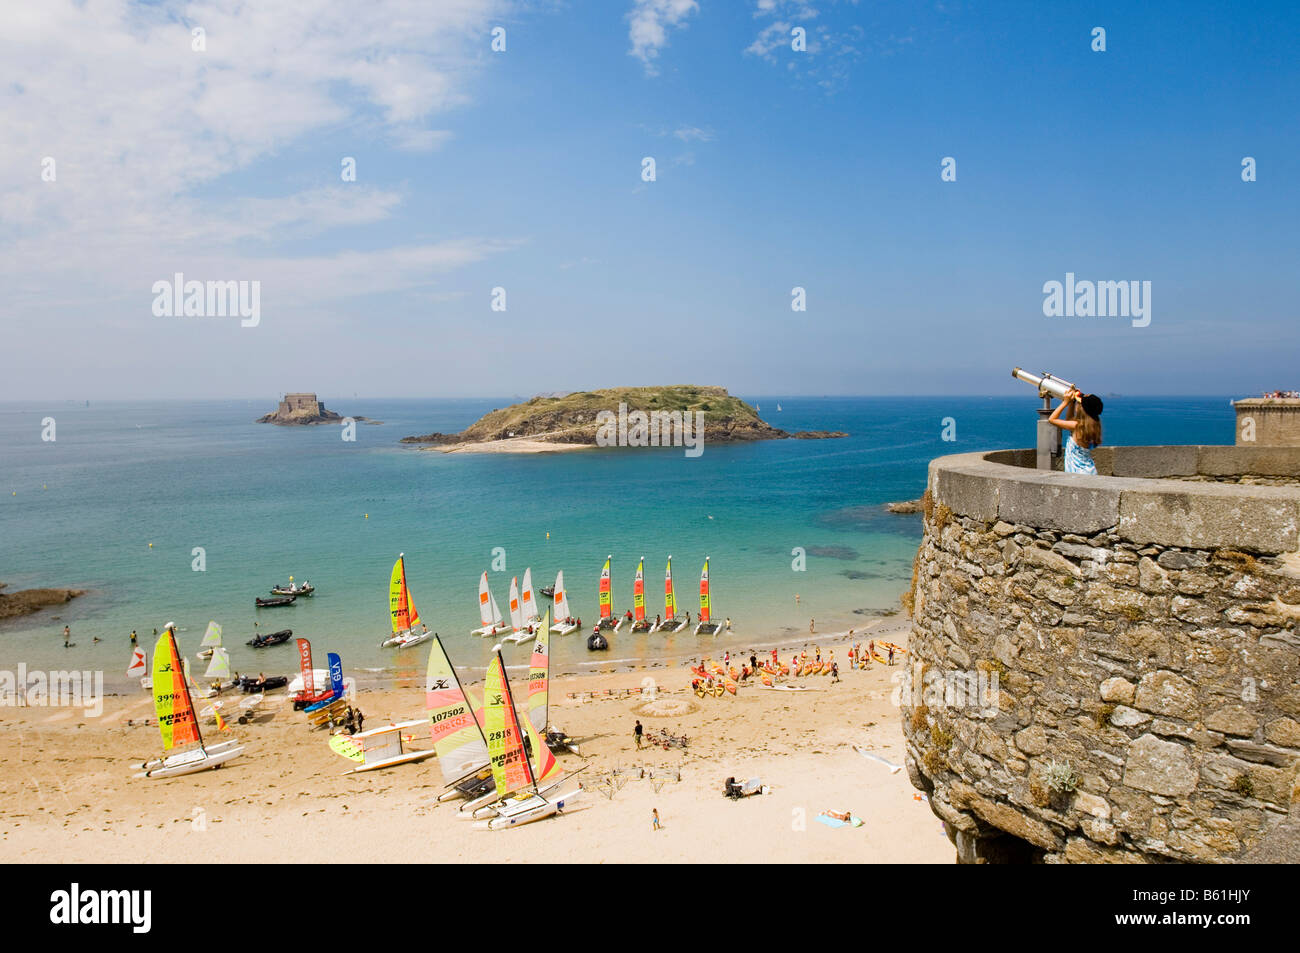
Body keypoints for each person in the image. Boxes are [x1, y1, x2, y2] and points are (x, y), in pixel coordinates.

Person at [1048, 387, 1103, 475]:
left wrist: (1065, 402)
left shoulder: (1077, 426)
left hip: (1077, 472)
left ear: (1081, 408)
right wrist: (1071, 403)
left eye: (1078, 403)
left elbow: (1052, 419)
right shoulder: (1091, 426)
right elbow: (1069, 420)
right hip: (1089, 470)